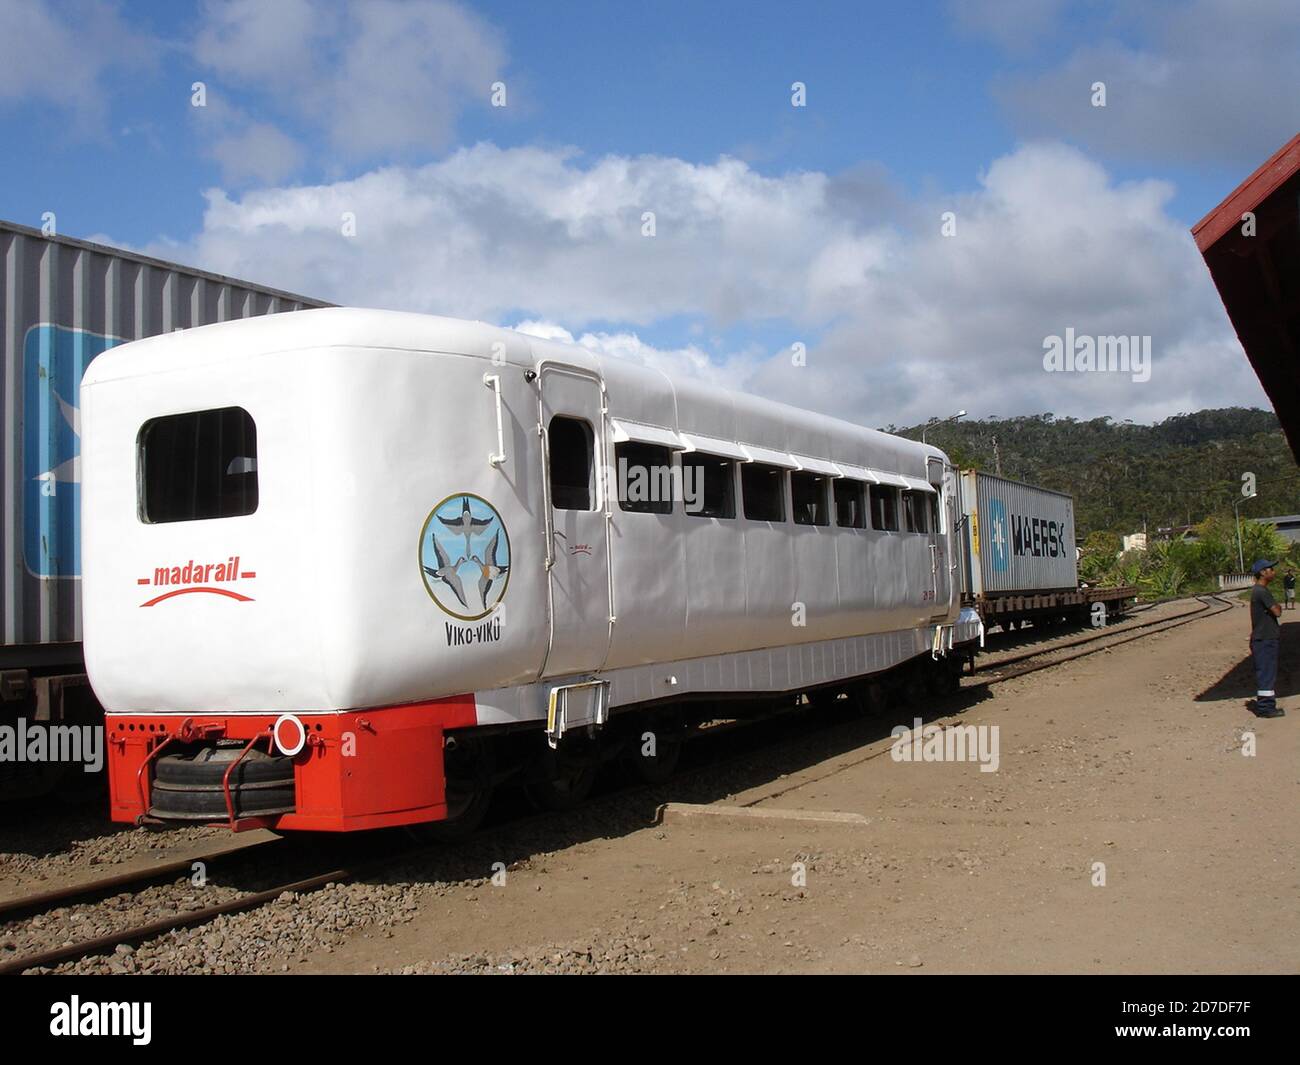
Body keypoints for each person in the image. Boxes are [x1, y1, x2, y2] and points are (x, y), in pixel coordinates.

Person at [1249, 559, 1283, 718]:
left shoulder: (1258, 590)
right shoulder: (1261, 591)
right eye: (1270, 569)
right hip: (1265, 639)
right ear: (1262, 572)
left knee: (1267, 672)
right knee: (1266, 673)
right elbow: (1277, 611)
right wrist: (1278, 606)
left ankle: (1266, 705)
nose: (1273, 571)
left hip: (1264, 638)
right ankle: (1265, 708)